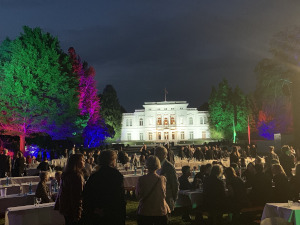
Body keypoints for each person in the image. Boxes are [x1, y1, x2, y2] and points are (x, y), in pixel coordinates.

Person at [83, 150, 126, 225]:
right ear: (112, 160)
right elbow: (118, 195)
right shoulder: (116, 175)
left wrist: (95, 209)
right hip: (113, 212)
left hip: (97, 211)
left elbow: (87, 195)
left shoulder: (94, 176)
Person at [136, 155, 170, 225]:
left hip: (145, 210)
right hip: (160, 210)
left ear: (147, 165)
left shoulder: (142, 179)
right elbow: (164, 194)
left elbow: (138, 195)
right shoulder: (162, 179)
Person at [57, 154, 85, 225]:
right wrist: (78, 214)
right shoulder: (76, 176)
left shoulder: (66, 174)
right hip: (73, 210)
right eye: (82, 160)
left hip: (66, 208)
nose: (84, 161)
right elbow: (77, 196)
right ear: (76, 162)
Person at [155, 146, 179, 212]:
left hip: (167, 198)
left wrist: (173, 198)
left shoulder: (169, 167)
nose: (155, 155)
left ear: (164, 155)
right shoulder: (155, 165)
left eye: (157, 153)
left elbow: (174, 184)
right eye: (155, 153)